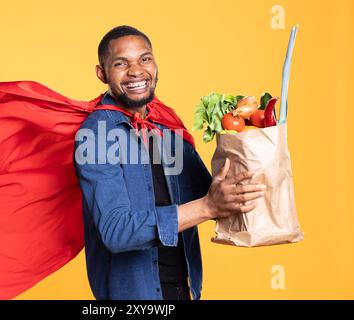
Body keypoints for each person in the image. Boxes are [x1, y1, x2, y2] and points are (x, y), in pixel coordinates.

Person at [73, 25, 266, 300]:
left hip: (184, 290)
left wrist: (251, 137)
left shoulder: (166, 128)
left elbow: (212, 194)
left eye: (145, 59)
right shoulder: (95, 136)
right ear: (102, 73)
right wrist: (207, 206)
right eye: (120, 63)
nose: (136, 70)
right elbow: (117, 232)